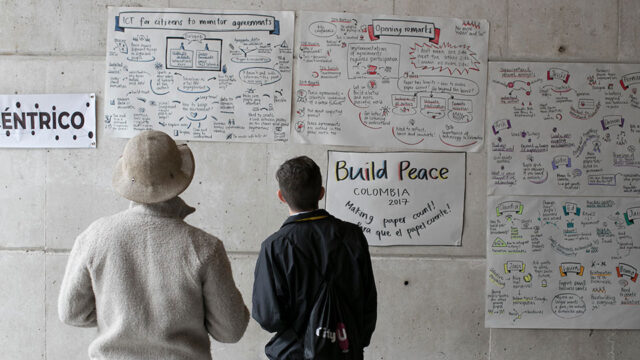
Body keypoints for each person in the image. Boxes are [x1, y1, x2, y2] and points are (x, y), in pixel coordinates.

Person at [58, 130, 249, 360]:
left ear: (126, 176)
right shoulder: (204, 248)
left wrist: (119, 316)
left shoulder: (95, 237)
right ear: (181, 175)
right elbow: (231, 330)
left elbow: (71, 313)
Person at [252, 155, 377, 359]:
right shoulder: (353, 236)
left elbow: (268, 317)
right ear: (321, 193)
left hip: (295, 353)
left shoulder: (275, 246)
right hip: (345, 349)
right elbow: (368, 302)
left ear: (281, 196)